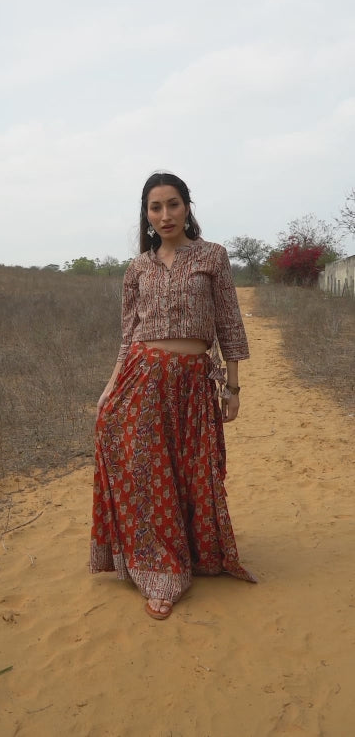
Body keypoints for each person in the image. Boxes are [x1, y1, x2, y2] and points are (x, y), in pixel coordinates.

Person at [90, 171, 256, 621]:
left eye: (173, 204)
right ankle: (163, 571)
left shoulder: (212, 257)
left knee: (192, 470)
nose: (165, 215)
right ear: (145, 215)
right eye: (155, 207)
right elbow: (129, 336)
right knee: (151, 474)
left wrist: (233, 387)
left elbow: (229, 324)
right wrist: (111, 385)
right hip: (144, 379)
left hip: (192, 384)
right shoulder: (138, 267)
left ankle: (197, 552)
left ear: (188, 207)